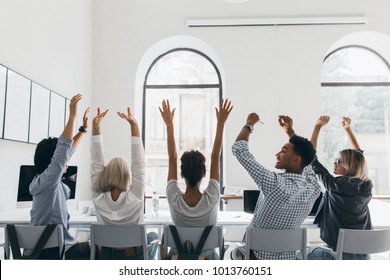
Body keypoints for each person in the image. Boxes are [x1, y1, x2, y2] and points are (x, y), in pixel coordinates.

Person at [231, 114, 320, 260]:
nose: (277, 154)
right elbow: (307, 160)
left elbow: (239, 150)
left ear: (297, 159)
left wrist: (249, 124)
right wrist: (290, 132)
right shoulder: (313, 188)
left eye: (284, 151)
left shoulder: (273, 184)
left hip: (257, 261)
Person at [159, 99, 232, 259]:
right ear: (204, 174)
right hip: (207, 261)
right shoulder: (212, 196)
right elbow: (215, 157)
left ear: (182, 174)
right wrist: (220, 124)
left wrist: (169, 125)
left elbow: (172, 158)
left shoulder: (173, 197)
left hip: (177, 261)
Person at [90, 106, 158, 260]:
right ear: (129, 176)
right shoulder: (135, 196)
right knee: (153, 235)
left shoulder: (97, 197)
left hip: (105, 257)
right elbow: (139, 163)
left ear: (105, 174)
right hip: (133, 258)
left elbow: (96, 161)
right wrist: (134, 126)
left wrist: (95, 127)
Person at [29, 93, 90, 259]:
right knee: (91, 248)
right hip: (50, 251)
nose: (66, 162)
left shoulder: (41, 181)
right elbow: (63, 150)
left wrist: (83, 130)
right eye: (63, 160)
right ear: (53, 163)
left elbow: (67, 151)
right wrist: (72, 115)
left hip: (45, 248)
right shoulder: (49, 181)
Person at [307, 116, 373, 260]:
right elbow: (359, 156)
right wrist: (348, 130)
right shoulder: (367, 186)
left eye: (339, 161)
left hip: (337, 256)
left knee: (302, 254)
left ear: (350, 166)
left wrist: (317, 127)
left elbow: (310, 157)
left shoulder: (334, 185)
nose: (334, 163)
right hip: (362, 256)